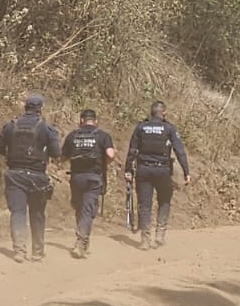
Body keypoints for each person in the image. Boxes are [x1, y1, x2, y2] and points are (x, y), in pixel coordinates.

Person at [0, 94, 62, 263]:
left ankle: (19, 250)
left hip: (15, 174)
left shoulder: (11, 126)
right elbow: (56, 152)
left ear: (25, 107)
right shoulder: (47, 128)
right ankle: (37, 251)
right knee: (37, 213)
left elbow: (0, 148)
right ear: (40, 109)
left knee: (18, 212)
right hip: (37, 177)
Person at [124, 100, 190, 250]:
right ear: (164, 113)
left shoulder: (141, 127)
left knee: (145, 205)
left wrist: (128, 170)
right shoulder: (169, 128)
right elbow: (179, 151)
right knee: (165, 201)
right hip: (163, 170)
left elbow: (132, 151)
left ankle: (145, 240)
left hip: (143, 170)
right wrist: (186, 172)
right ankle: (160, 234)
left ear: (151, 112)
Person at [61, 109, 116, 258]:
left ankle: (83, 240)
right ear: (96, 121)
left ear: (81, 121)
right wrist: (105, 163)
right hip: (93, 178)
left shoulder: (73, 135)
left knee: (79, 208)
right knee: (88, 210)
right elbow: (110, 155)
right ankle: (80, 242)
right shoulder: (103, 136)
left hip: (76, 178)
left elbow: (63, 157)